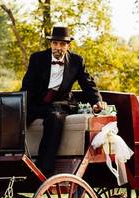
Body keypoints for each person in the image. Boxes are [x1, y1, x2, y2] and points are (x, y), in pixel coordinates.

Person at [20, 24, 102, 177]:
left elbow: (88, 84)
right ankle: (13, 160)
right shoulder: (37, 58)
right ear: (51, 44)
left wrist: (96, 102)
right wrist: (20, 106)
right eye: (55, 43)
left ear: (67, 46)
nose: (58, 47)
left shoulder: (77, 61)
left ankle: (43, 168)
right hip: (37, 102)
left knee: (55, 117)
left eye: (62, 44)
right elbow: (27, 85)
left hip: (61, 104)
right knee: (16, 116)